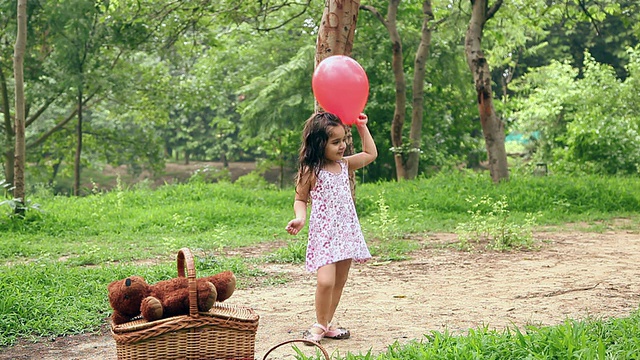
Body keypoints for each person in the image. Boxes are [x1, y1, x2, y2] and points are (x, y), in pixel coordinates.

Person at [285, 111, 378, 343]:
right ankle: (319, 323)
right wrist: (300, 218)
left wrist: (361, 127)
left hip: (346, 231)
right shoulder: (311, 171)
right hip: (325, 234)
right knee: (325, 281)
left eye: (343, 140)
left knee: (339, 281)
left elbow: (370, 153)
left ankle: (326, 323)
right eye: (336, 142)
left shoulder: (344, 165)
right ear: (319, 143)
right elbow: (300, 199)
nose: (343, 146)